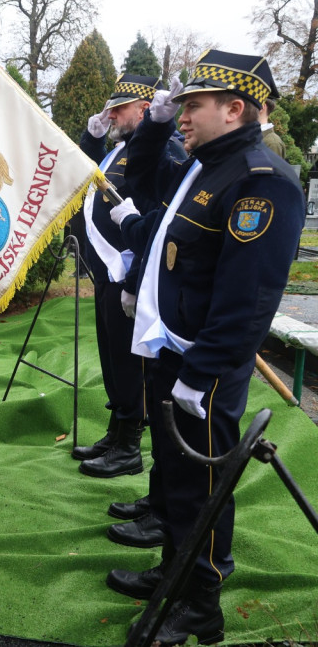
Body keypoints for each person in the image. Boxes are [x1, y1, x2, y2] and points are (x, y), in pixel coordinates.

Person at [106, 50, 304, 644]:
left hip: (204, 363)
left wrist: (203, 372)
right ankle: (173, 572)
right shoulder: (206, 164)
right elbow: (144, 183)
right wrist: (156, 125)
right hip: (173, 347)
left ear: (234, 108)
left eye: (192, 106)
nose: (183, 116)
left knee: (202, 484)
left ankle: (201, 601)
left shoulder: (260, 180)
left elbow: (249, 299)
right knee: (173, 473)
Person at [73, 75, 186, 481]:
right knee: (113, 358)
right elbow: (90, 180)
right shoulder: (119, 150)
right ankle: (116, 431)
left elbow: (158, 221)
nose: (112, 115)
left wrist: (136, 280)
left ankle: (129, 446)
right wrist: (92, 140)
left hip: (130, 272)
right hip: (108, 272)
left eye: (119, 109)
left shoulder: (163, 149)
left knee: (130, 364)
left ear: (144, 109)